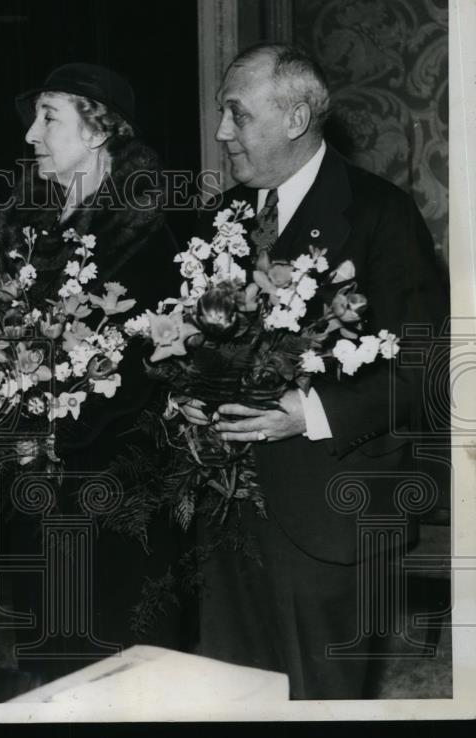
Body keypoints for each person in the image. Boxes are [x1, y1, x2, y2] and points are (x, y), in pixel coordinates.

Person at [180, 44, 448, 699]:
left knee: (320, 703)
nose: (220, 133)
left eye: (236, 116)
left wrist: (308, 413)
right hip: (226, 518)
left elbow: (424, 368)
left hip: (331, 517)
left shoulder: (379, 214)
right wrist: (186, 393)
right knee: (228, 697)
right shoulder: (222, 220)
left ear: (296, 118)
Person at [0, 63, 187, 679]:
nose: (31, 134)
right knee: (48, 663)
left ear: (99, 131)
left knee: (116, 665)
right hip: (42, 487)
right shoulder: (32, 230)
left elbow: (147, 375)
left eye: (49, 116)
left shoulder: (150, 234)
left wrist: (59, 421)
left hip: (114, 492)